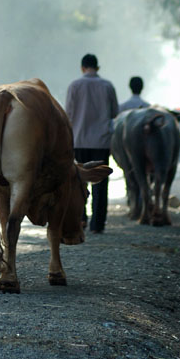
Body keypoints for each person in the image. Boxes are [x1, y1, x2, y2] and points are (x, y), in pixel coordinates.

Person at [65, 53, 118, 233]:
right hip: (101, 142)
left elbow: (68, 115)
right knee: (101, 184)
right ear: (98, 68)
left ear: (82, 68)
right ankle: (98, 225)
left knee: (79, 182)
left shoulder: (74, 85)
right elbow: (114, 114)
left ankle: (81, 219)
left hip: (78, 141)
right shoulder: (108, 86)